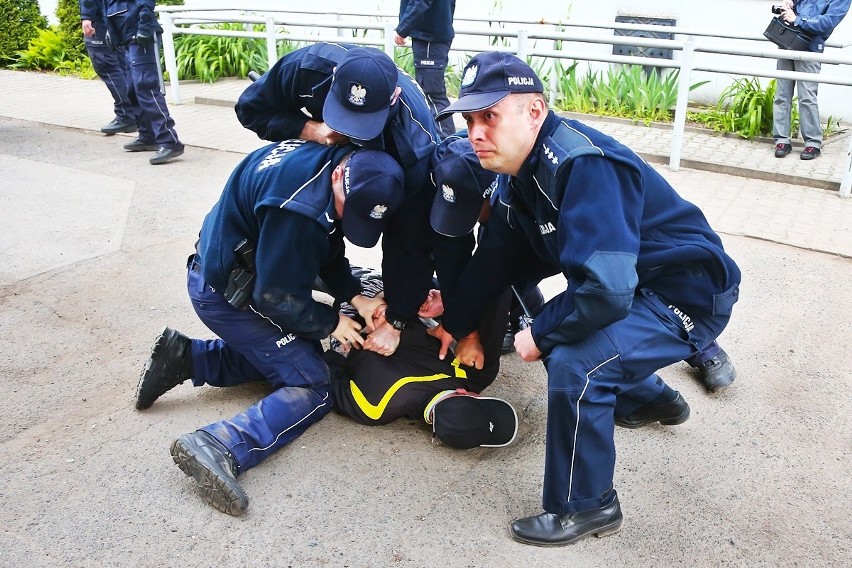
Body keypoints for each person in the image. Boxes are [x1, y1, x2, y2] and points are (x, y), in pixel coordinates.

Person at [430, 52, 742, 546]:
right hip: (635, 285)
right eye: (469, 120)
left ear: (534, 111)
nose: (475, 132)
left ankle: (587, 507)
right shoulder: (519, 171)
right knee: (570, 338)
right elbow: (497, 259)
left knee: (575, 361)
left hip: (687, 292)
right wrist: (454, 315)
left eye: (489, 116)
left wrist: (538, 333)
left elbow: (604, 292)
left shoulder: (582, 164)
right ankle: (652, 401)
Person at [134, 138, 405, 516]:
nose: (347, 221)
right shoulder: (300, 209)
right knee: (312, 380)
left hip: (227, 268)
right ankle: (220, 445)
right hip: (231, 295)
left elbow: (324, 247)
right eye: (350, 211)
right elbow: (276, 298)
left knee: (297, 355)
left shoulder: (321, 163)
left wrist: (356, 297)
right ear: (342, 174)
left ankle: (188, 358)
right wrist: (333, 322)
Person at [236, 43, 450, 357]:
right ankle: (304, 270)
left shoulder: (415, 143)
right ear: (333, 79)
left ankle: (340, 279)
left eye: (362, 125)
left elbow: (410, 241)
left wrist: (396, 319)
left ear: (393, 99)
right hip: (315, 164)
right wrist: (309, 129)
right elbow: (250, 109)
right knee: (304, 223)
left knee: (399, 241)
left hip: (386, 167)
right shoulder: (306, 68)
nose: (350, 133)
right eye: (344, 117)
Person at [325, 266, 518, 449]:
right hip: (348, 329)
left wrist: (464, 324)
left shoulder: (478, 371)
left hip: (389, 292)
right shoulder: (375, 410)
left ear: (463, 392)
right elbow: (328, 369)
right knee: (315, 275)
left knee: (326, 266)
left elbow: (497, 284)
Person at [96, 0, 185, 164]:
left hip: (140, 36)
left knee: (146, 88)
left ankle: (170, 142)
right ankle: (147, 136)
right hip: (126, 38)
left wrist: (144, 25)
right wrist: (111, 30)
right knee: (132, 89)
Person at [772, 0, 851, 160]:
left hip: (810, 47)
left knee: (807, 97)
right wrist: (789, 3)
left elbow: (828, 23)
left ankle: (813, 143)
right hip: (787, 40)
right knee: (781, 95)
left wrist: (798, 20)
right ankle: (781, 141)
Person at [394, 0, 458, 138]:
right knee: (432, 93)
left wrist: (402, 29)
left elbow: (421, 2)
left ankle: (446, 143)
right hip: (434, 34)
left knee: (432, 95)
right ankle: (444, 142)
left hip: (430, 38)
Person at [79, 0, 138, 136]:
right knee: (121, 65)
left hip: (102, 17)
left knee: (106, 64)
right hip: (118, 15)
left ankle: (127, 115)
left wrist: (87, 16)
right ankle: (135, 114)